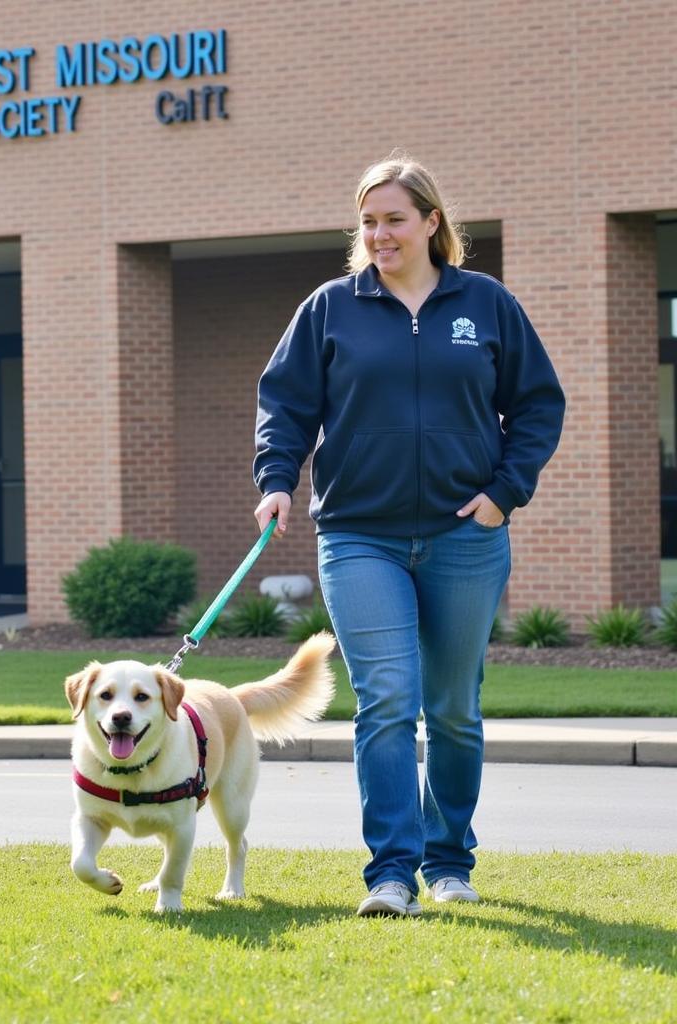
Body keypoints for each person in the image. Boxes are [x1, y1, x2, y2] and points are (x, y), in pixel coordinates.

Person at [252, 154, 565, 917]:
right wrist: (276, 481)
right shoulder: (331, 308)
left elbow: (538, 406)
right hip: (361, 535)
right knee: (387, 701)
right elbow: (285, 404)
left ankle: (449, 859)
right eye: (368, 221)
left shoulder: (486, 305)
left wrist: (503, 494)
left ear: (432, 222)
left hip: (466, 536)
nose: (379, 234)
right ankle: (391, 873)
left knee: (453, 706)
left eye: (394, 219)